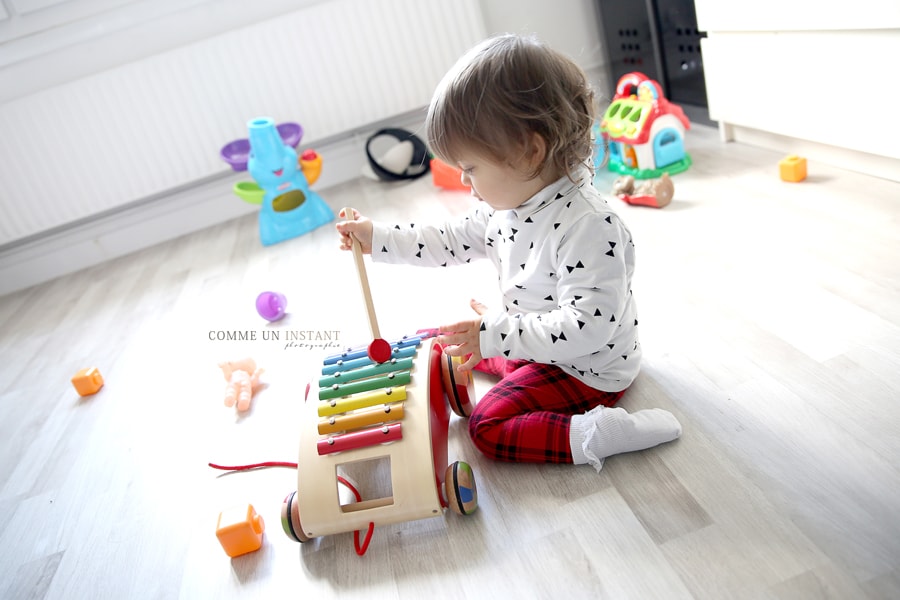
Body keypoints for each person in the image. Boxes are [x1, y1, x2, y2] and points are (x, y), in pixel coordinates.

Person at [336, 34, 681, 471]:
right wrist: (377, 238)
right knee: (441, 341)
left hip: (586, 369)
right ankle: (459, 374)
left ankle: (601, 433)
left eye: (471, 168)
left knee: (486, 427)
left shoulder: (590, 227)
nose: (465, 182)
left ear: (528, 151)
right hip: (534, 343)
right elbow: (447, 239)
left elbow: (586, 330)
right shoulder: (509, 207)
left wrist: (494, 333)